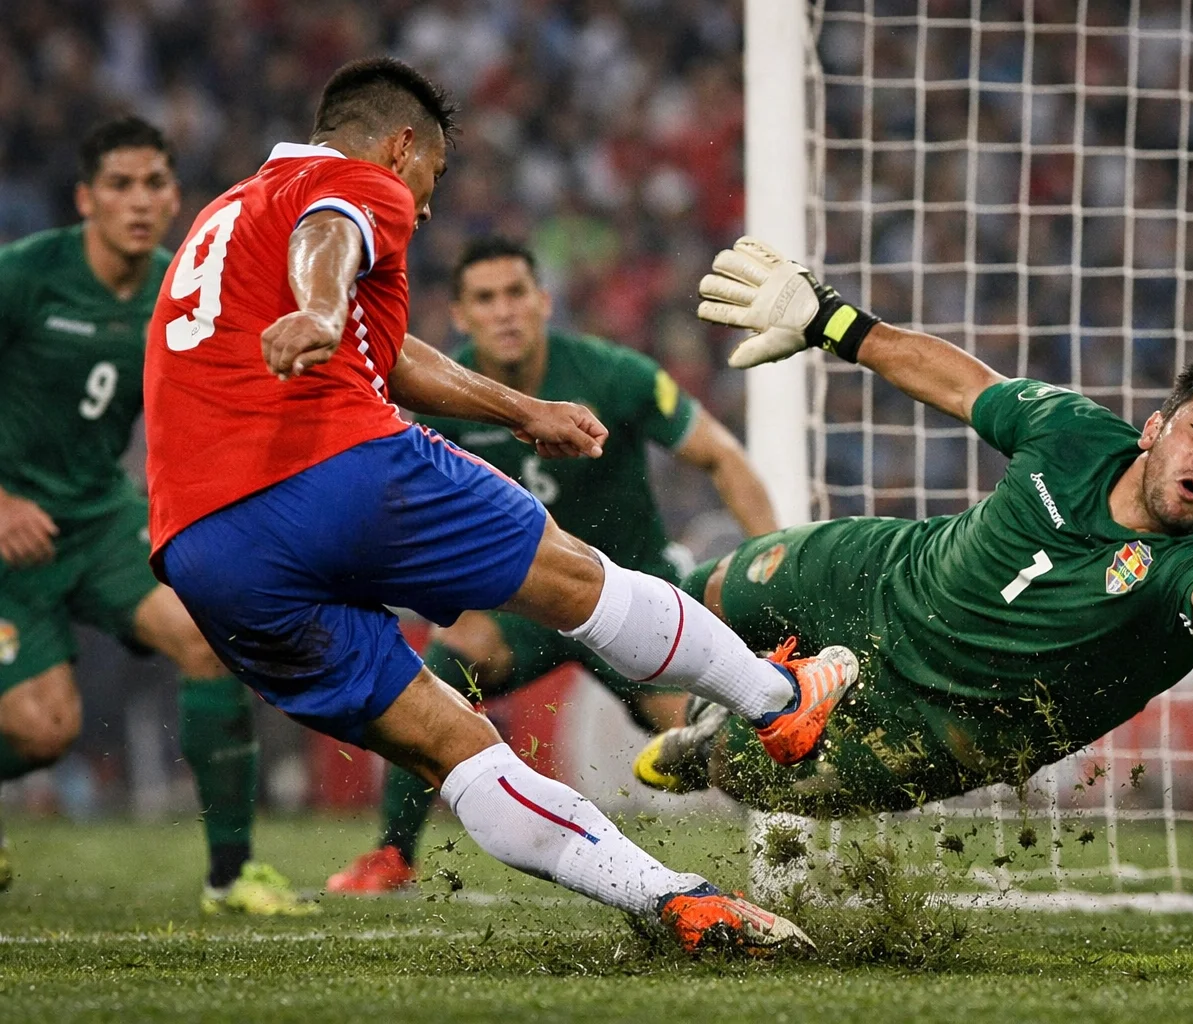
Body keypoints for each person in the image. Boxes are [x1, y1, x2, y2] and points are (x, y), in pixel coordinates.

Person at [143, 58, 856, 951]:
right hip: (328, 466)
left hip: (206, 554)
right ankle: (776, 699)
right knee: (574, 575)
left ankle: (674, 900)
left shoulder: (226, 215)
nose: (427, 205)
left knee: (454, 744)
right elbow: (332, 234)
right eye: (432, 177)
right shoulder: (348, 185)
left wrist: (521, 412)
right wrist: (324, 311)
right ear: (403, 146)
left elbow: (388, 350)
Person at [634, 237, 1193, 816]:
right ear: (1154, 428)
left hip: (945, 723)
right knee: (685, 601)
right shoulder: (1070, 431)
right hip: (879, 573)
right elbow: (961, 383)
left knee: (741, 771)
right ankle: (697, 667)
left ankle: (712, 735)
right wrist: (826, 319)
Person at [327, 236, 779, 894]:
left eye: (516, 294)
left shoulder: (612, 373)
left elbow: (721, 457)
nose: (504, 311)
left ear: (544, 302)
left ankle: (809, 835)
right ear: (459, 315)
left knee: (709, 738)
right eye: (485, 299)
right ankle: (393, 855)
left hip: (635, 601)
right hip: (526, 611)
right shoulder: (441, 394)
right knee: (444, 659)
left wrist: (771, 553)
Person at [0, 118, 310, 914]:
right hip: (8, 533)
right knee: (45, 732)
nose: (140, 202)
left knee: (209, 637)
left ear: (176, 195)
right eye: (119, 185)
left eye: (154, 184)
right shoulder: (27, 276)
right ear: (84, 199)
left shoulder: (183, 288)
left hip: (101, 520)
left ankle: (231, 875)